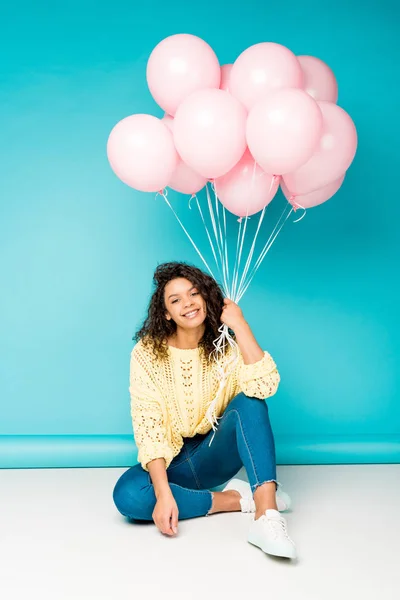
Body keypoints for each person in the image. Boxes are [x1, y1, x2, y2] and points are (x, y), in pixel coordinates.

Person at [113, 261, 297, 559]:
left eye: (194, 294)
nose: (187, 303)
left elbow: (265, 386)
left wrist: (240, 325)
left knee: (250, 402)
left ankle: (266, 515)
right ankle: (236, 500)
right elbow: (149, 427)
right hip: (177, 462)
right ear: (166, 313)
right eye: (175, 300)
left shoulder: (226, 347)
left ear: (205, 298)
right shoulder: (146, 353)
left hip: (215, 454)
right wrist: (162, 495)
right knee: (128, 494)